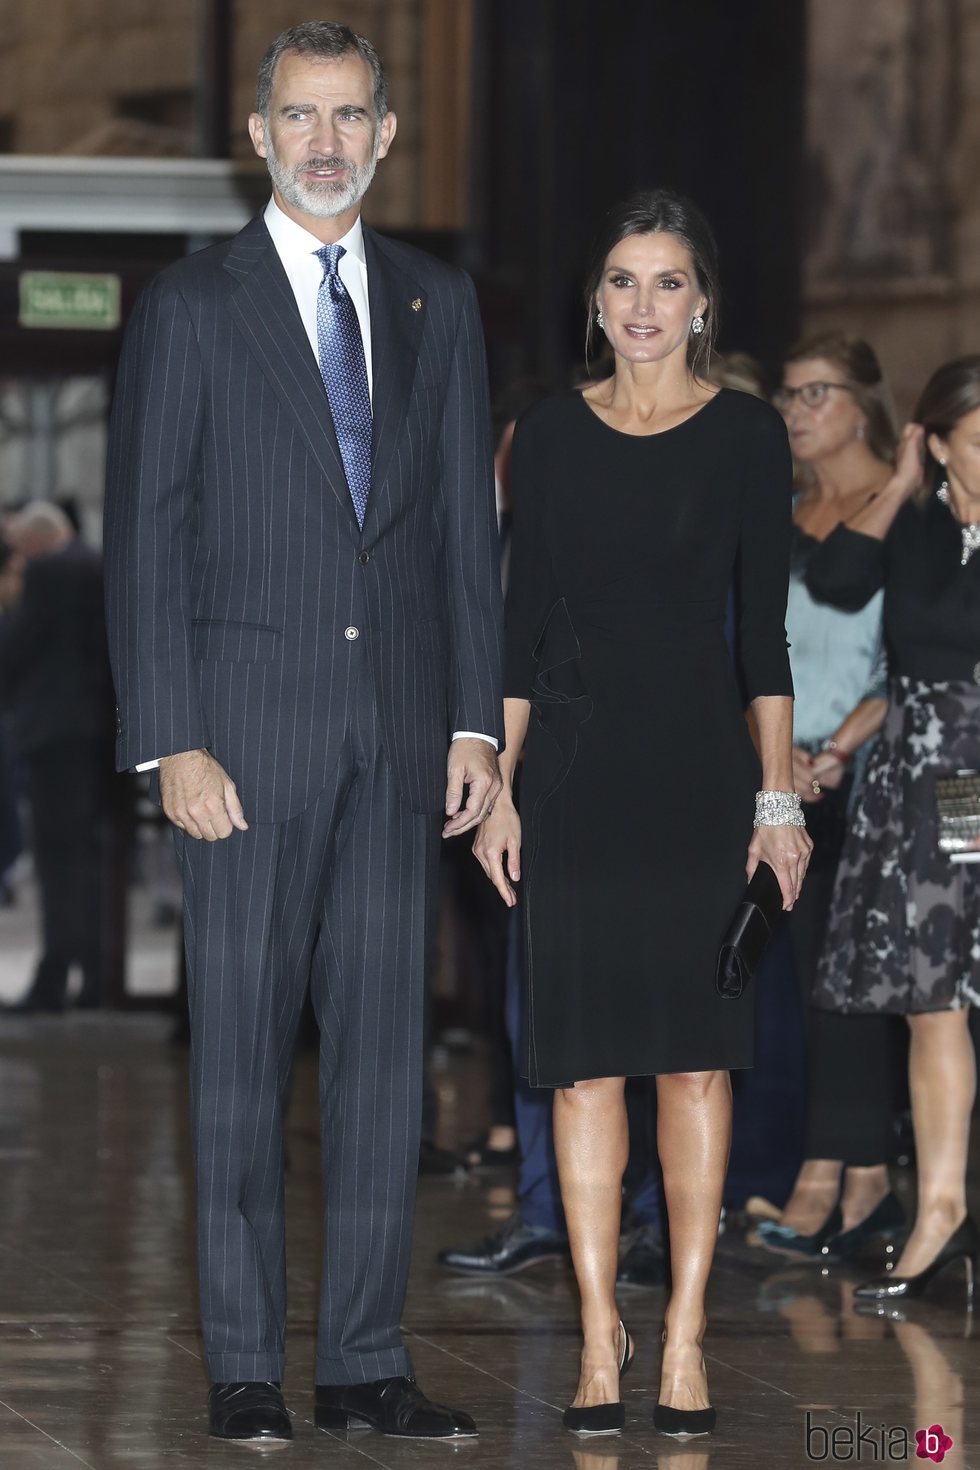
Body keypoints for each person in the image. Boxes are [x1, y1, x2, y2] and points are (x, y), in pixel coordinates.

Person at [104, 21, 502, 1445]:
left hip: (400, 747)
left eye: (350, 117)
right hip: (244, 754)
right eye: (299, 117)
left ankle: (363, 1361)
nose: (325, 142)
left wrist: (473, 721)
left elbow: (464, 529)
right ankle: (243, 1367)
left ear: (388, 135)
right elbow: (146, 536)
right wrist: (171, 738)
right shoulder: (192, 308)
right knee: (239, 1073)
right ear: (258, 137)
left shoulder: (434, 304)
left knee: (388, 1070)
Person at [473, 189, 811, 1437]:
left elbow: (764, 640)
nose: (642, 306)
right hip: (570, 777)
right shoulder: (551, 437)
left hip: (695, 783)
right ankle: (599, 1332)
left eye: (666, 282)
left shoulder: (744, 434)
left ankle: (681, 1337)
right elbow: (516, 632)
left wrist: (775, 802)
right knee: (578, 1075)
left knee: (693, 1069)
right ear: (594, 303)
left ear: (702, 302)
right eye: (621, 281)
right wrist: (497, 787)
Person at [807, 355, 980, 1301]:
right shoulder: (911, 522)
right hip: (927, 773)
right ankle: (942, 1210)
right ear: (938, 442)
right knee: (933, 996)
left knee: (950, 991)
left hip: (971, 758)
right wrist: (905, 484)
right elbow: (834, 576)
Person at [756, 335, 906, 1260]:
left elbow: (924, 651)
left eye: (817, 393)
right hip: (786, 771)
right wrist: (780, 757)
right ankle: (840, 1173)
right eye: (787, 394)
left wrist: (841, 746)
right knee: (813, 976)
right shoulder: (784, 509)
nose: (796, 411)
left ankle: (851, 1176)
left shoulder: (911, 505)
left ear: (865, 407)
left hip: (880, 768)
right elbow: (753, 648)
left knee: (861, 979)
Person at [0, 502, 115, 1010]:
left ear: (33, 542)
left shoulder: (50, 571)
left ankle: (54, 980)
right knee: (88, 859)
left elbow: (18, 648)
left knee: (59, 862)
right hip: (96, 734)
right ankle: (95, 978)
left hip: (55, 735)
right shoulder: (96, 562)